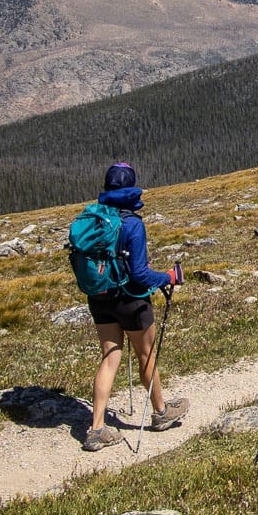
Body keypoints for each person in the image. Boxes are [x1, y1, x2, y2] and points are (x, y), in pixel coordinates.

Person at [83, 161, 187, 451]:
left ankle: (96, 429)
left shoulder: (95, 220)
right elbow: (140, 274)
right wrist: (167, 277)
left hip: (100, 297)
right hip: (131, 300)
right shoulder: (132, 223)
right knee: (146, 355)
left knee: (109, 357)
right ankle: (161, 412)